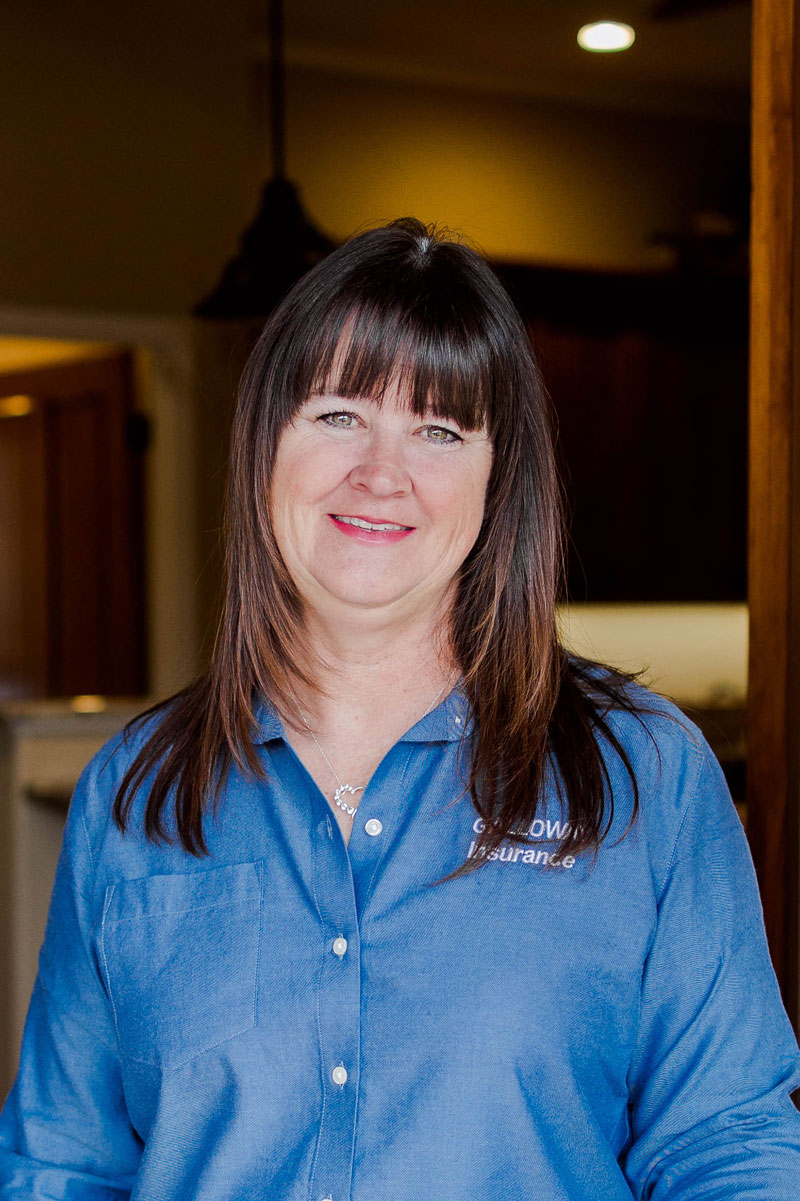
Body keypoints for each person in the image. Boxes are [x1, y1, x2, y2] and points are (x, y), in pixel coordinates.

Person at [1, 218, 799, 1200]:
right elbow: (62, 1165)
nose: (380, 472)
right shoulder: (134, 793)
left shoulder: (643, 777)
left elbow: (729, 1146)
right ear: (265, 445)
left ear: (497, 478)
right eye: (337, 414)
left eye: (439, 428)